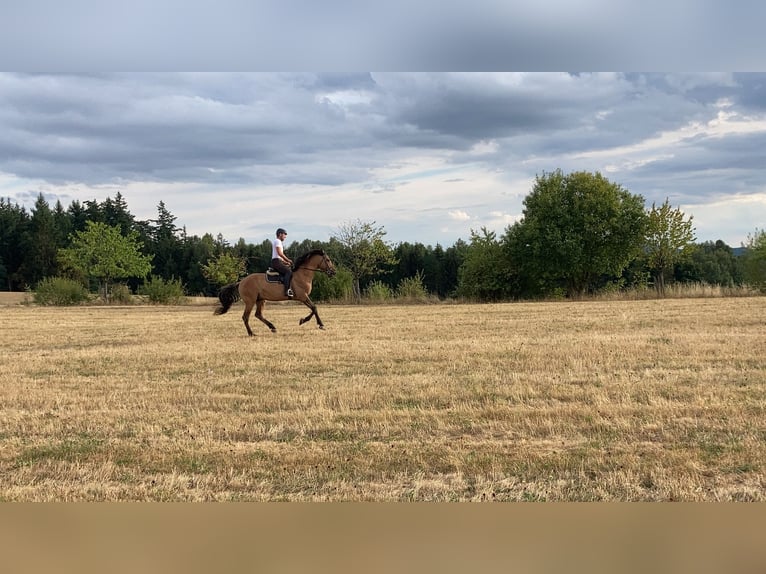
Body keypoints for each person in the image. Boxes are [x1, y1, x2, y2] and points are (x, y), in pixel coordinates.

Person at [271, 228, 294, 297]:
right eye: (284, 235)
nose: (285, 237)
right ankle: (286, 291)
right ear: (280, 234)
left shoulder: (278, 242)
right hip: (276, 262)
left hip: (278, 261)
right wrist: (288, 260)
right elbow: (280, 253)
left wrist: (285, 262)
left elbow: (279, 256)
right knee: (289, 272)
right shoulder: (277, 241)